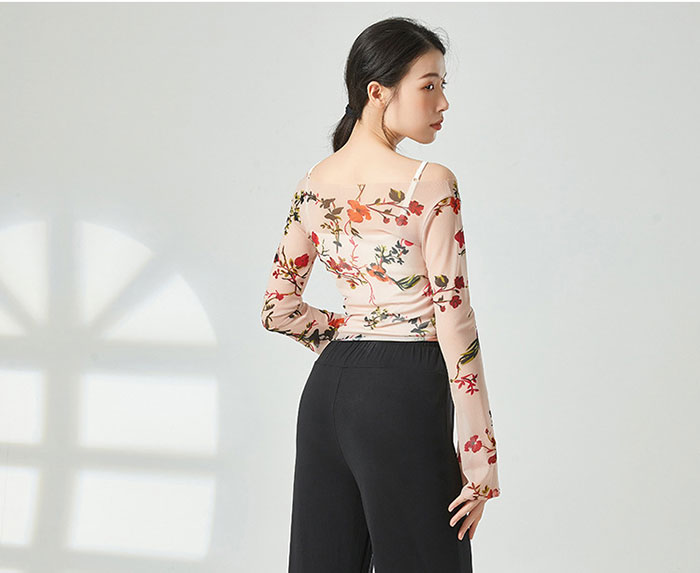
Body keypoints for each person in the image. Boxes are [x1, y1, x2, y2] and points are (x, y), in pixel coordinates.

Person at [261, 16, 500, 573]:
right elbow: (454, 319)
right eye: (429, 85)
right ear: (378, 91)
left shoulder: (313, 184)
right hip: (404, 392)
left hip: (328, 393)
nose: (443, 102)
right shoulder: (430, 181)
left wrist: (351, 335)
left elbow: (278, 308)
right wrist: (479, 453)